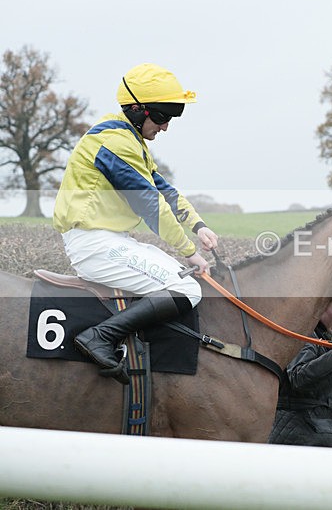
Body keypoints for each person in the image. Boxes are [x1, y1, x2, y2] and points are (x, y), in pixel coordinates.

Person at [52, 63, 218, 382]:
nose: (166, 126)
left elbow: (164, 191)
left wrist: (198, 226)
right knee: (186, 287)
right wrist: (189, 251)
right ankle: (99, 337)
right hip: (95, 244)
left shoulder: (130, 139)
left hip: (111, 240)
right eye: (162, 116)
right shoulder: (115, 142)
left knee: (184, 278)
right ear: (137, 110)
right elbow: (150, 204)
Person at [268, 294, 332, 447]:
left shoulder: (317, 338)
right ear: (321, 305)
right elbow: (298, 377)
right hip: (301, 436)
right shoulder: (305, 335)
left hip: (306, 434)